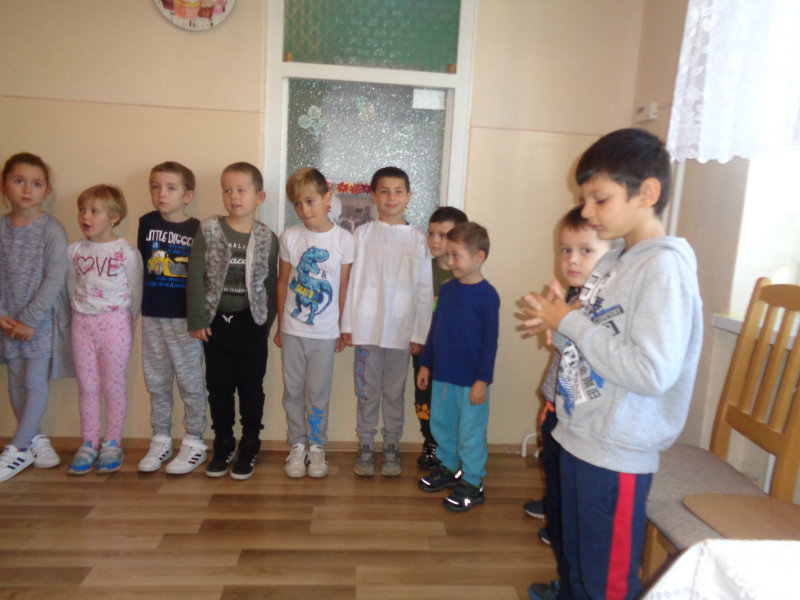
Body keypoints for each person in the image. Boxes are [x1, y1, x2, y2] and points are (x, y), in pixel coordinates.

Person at [523, 128, 703, 600]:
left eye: (599, 199)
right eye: (585, 199)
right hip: (579, 434)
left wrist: (572, 324)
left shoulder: (663, 269)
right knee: (575, 561)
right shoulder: (614, 261)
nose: (586, 211)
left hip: (616, 449)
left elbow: (651, 372)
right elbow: (596, 339)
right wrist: (560, 325)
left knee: (605, 582)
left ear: (647, 193)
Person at [523, 205, 614, 598]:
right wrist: (555, 318)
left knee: (577, 519)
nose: (572, 259)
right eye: (565, 250)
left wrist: (563, 319)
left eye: (585, 250)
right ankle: (568, 583)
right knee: (560, 507)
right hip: (557, 412)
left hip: (582, 426)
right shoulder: (577, 297)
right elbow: (562, 350)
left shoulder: (604, 306)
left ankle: (575, 585)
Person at [187, 162, 278, 481]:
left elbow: (271, 284)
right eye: (227, 190)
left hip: (250, 324)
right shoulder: (209, 229)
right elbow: (195, 275)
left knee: (251, 388)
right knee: (219, 387)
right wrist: (198, 318)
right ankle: (223, 442)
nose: (234, 196)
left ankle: (250, 443)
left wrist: (265, 324)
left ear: (259, 197)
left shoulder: (267, 237)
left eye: (241, 190)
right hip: (215, 325)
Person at [341, 166, 433, 477]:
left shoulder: (418, 240)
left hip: (402, 333)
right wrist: (348, 325)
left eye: (398, 191)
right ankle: (366, 444)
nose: (391, 197)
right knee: (367, 392)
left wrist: (420, 332)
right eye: (384, 191)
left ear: (408, 197)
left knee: (394, 393)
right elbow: (352, 282)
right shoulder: (362, 235)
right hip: (367, 330)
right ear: (373, 196)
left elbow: (424, 290)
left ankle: (392, 444)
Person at [275, 167, 354, 479]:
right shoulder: (289, 237)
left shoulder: (344, 240)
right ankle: (297, 445)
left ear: (327, 198)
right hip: (292, 331)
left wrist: (343, 328)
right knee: (293, 390)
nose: (304, 210)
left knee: (318, 393)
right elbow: (283, 282)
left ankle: (317, 446)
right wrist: (280, 326)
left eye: (310, 201)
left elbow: (344, 287)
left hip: (325, 333)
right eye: (297, 204)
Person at [417, 222, 500, 512]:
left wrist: (482, 380)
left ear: (479, 256)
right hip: (443, 376)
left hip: (471, 382)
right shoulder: (448, 290)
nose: (450, 262)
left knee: (470, 433)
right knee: (442, 425)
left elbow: (490, 343)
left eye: (456, 256)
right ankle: (449, 468)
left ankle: (473, 482)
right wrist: (425, 364)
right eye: (448, 255)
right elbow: (436, 330)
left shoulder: (487, 296)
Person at [0, 153, 70, 482]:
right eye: (19, 181)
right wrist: (2, 316)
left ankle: (17, 448)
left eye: (37, 183)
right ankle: (37, 441)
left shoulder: (51, 230)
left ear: (47, 190)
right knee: (15, 382)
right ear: (4, 185)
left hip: (39, 324)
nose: (27, 189)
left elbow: (54, 278)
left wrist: (30, 319)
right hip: (6, 322)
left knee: (34, 383)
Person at [137, 162, 208, 475]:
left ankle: (194, 439)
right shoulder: (146, 222)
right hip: (153, 315)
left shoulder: (198, 229)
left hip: (184, 320)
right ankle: (161, 438)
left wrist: (199, 317)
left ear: (188, 195)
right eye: (155, 186)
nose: (161, 194)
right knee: (157, 380)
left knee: (190, 381)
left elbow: (203, 276)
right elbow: (142, 264)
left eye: (170, 188)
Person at [67, 184, 143, 475]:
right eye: (82, 210)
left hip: (115, 324)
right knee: (87, 386)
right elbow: (71, 286)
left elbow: (136, 291)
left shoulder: (126, 253)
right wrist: (77, 314)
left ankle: (112, 443)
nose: (86, 216)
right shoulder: (74, 251)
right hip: (82, 324)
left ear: (114, 216)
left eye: (94, 211)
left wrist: (129, 322)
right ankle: (89, 443)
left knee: (113, 385)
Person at [412, 206, 468, 469]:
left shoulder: (465, 274)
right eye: (431, 233)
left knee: (451, 402)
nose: (434, 240)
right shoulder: (423, 267)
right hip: (425, 348)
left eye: (443, 235)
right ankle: (431, 442)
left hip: (454, 351)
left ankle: (454, 449)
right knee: (425, 398)